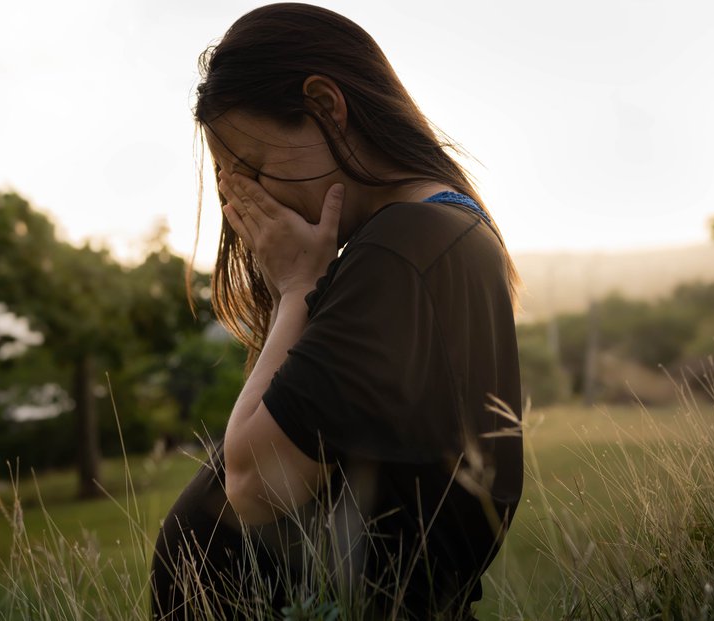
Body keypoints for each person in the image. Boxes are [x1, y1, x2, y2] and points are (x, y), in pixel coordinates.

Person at [150, 4, 523, 619]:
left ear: (326, 104)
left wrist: (298, 287)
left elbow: (254, 484)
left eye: (257, 171)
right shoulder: (435, 235)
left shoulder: (406, 247)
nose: (252, 202)